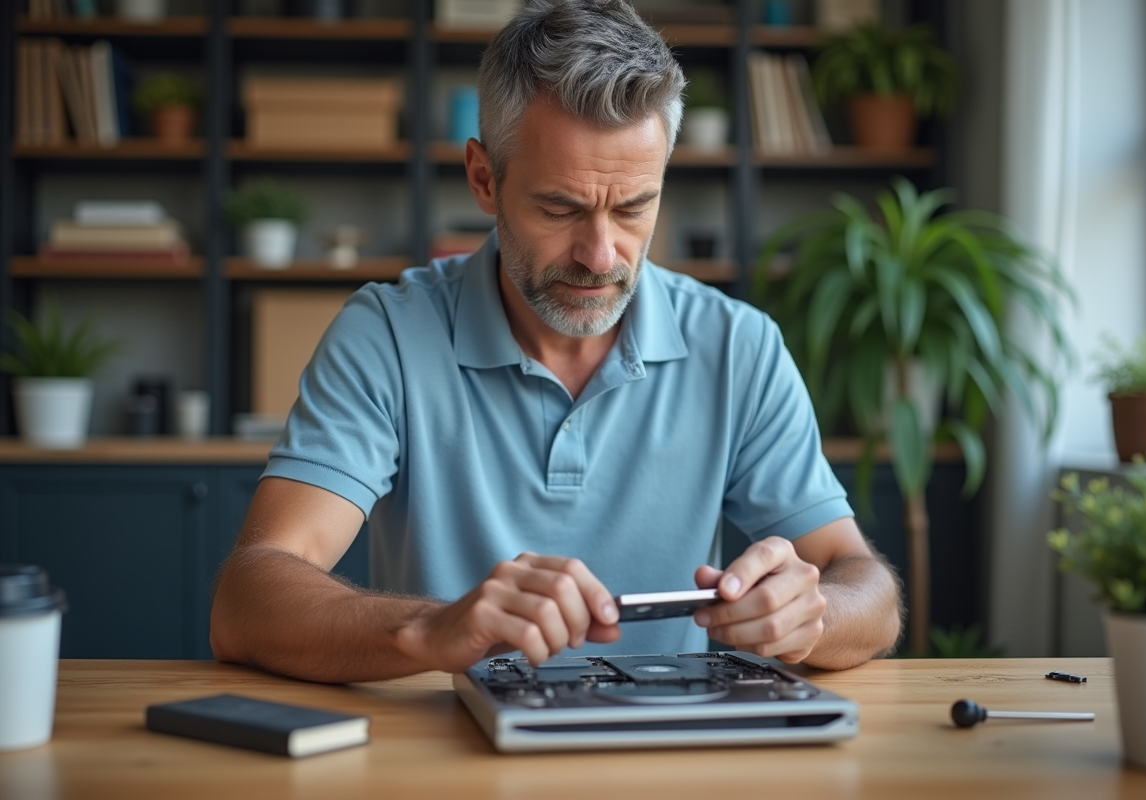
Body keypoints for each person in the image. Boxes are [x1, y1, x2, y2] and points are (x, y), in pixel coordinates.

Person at [210, 0, 902, 684]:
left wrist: (815, 615)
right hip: (446, 741)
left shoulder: (738, 347)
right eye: (559, 208)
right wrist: (432, 628)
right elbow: (246, 600)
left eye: (633, 208)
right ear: (484, 179)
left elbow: (866, 587)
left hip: (673, 740)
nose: (600, 256)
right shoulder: (386, 336)